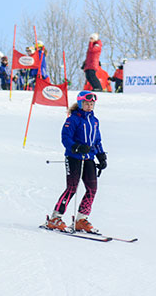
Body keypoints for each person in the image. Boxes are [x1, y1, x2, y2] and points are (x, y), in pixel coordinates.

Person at [44, 91, 107, 233]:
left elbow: (97, 141)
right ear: (80, 104)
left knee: (92, 189)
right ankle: (55, 218)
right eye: (86, 104)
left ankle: (81, 220)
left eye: (92, 104)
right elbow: (65, 138)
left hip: (89, 158)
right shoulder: (72, 119)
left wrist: (101, 156)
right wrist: (76, 147)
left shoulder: (94, 121)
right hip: (74, 157)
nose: (89, 106)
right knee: (72, 188)